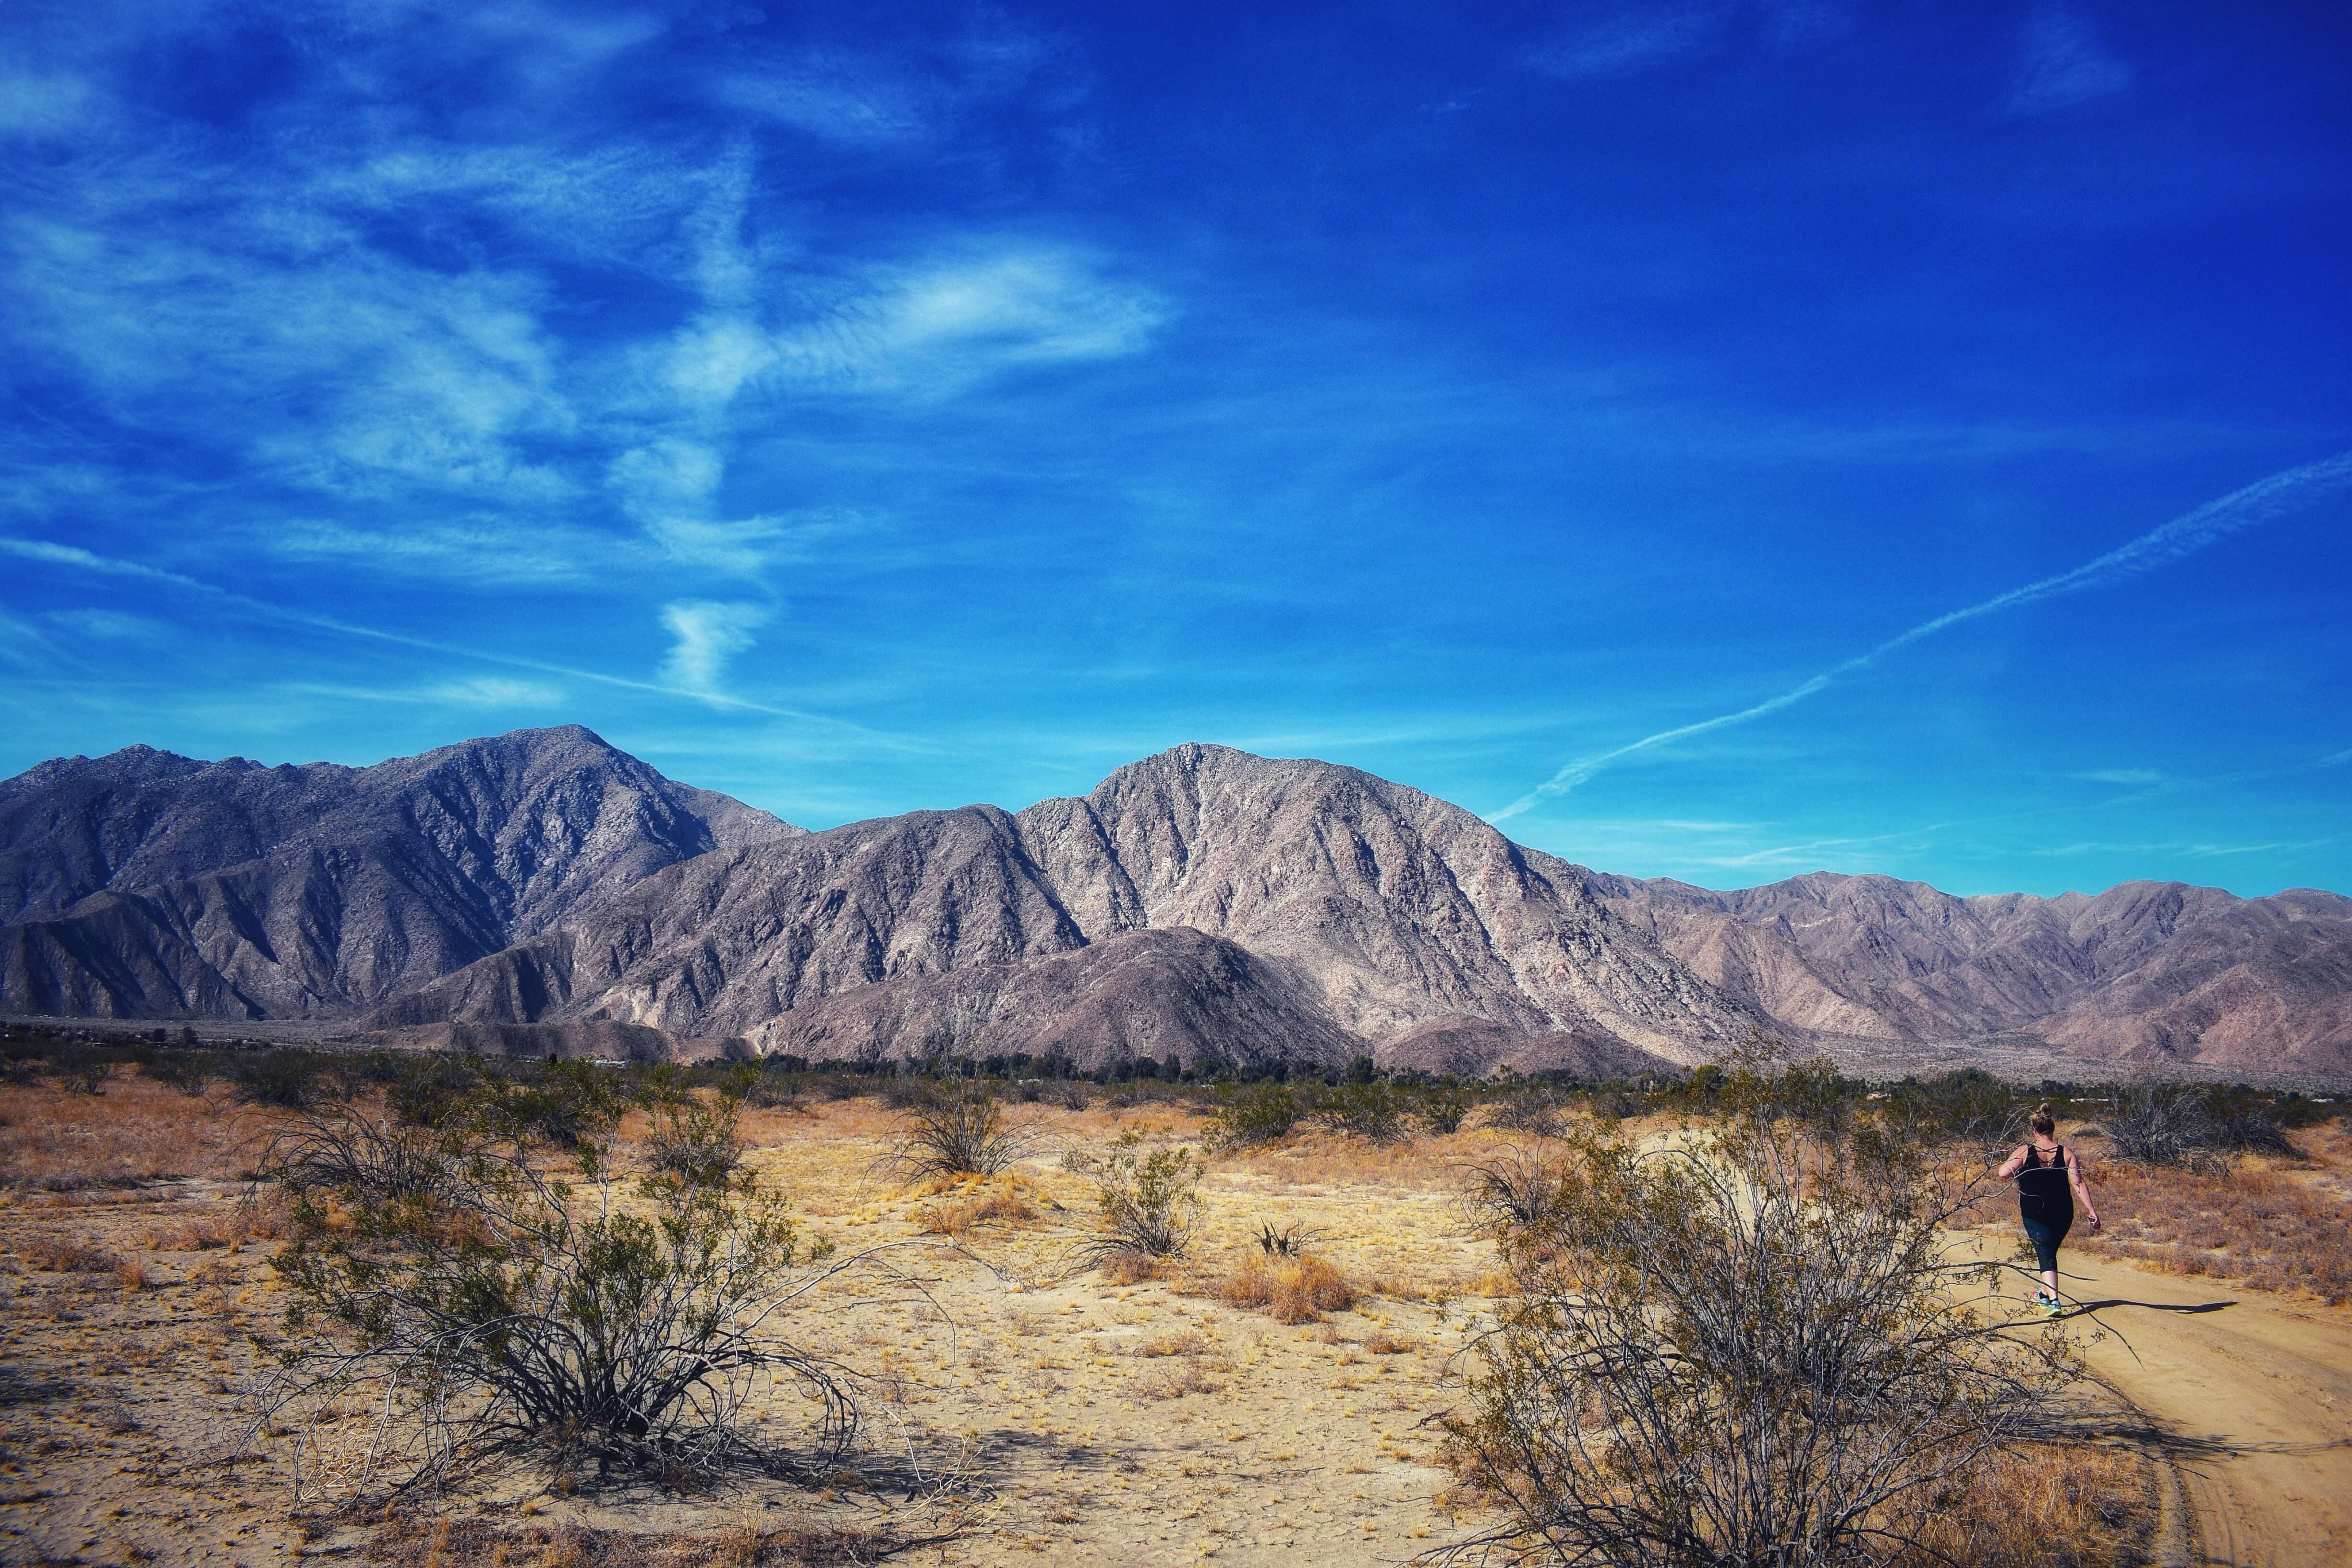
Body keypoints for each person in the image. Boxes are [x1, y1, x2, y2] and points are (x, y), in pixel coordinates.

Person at [1999, 1103, 2100, 1314]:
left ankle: (2054, 1300)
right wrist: (2092, 1211)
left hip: (2034, 1212)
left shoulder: (2025, 1151)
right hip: (2063, 1212)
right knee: (2047, 1251)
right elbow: (2078, 1184)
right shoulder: (2067, 1153)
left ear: (2034, 1130)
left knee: (2045, 1252)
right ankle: (2043, 1294)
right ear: (2053, 1129)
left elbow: (2003, 1173)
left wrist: (2017, 1165)